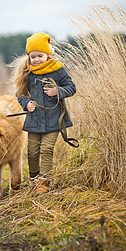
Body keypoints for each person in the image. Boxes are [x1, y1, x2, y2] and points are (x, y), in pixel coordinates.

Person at [11, 32, 76, 194]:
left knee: (47, 150)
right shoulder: (27, 73)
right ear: (29, 58)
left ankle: (43, 182)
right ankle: (33, 179)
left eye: (40, 55)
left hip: (54, 120)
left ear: (48, 54)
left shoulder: (58, 70)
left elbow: (72, 88)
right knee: (32, 152)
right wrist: (27, 104)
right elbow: (20, 94)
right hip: (33, 121)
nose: (36, 59)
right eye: (33, 57)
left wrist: (57, 91)